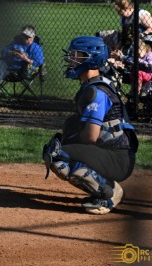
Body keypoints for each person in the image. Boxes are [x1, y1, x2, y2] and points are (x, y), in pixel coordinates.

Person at [42, 36, 138, 215]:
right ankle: (106, 186)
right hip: (113, 153)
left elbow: (91, 136)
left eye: (77, 55)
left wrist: (70, 139)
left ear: (91, 59)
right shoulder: (93, 85)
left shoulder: (96, 91)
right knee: (65, 137)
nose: (71, 59)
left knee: (57, 154)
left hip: (118, 159)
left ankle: (107, 194)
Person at [0, 25, 45, 100]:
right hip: (8, 69)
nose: (25, 38)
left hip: (21, 72)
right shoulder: (16, 42)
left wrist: (26, 59)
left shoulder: (36, 48)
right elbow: (4, 51)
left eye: (28, 37)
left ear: (33, 37)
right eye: (24, 36)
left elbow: (39, 62)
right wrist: (12, 53)